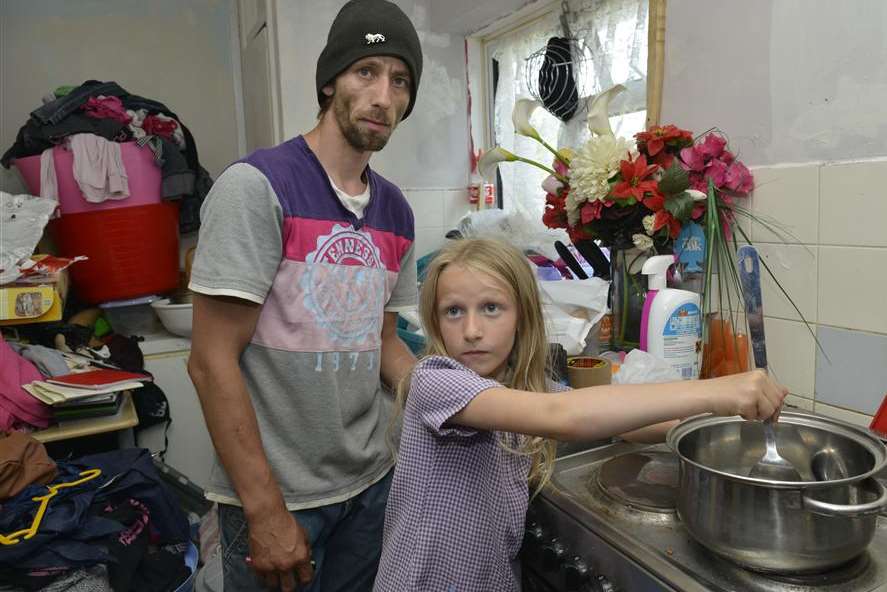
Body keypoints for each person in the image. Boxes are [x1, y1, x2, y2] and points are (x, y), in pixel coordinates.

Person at [373, 238, 788, 591]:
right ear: (435, 321)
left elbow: (629, 421)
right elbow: (565, 414)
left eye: (491, 308)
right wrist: (713, 391)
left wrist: (712, 426)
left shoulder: (522, 390)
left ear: (522, 317)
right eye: (454, 312)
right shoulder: (435, 381)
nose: (472, 330)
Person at [186, 1, 423, 590]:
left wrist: (455, 398)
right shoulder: (259, 187)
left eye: (399, 81)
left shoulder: (395, 210)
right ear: (329, 82)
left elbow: (383, 343)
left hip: (369, 485)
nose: (383, 96)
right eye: (365, 72)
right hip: (279, 496)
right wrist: (265, 511)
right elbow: (210, 361)